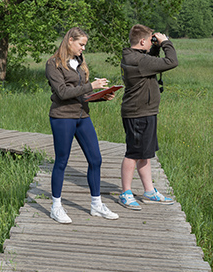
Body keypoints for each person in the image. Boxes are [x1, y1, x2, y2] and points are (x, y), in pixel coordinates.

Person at [46, 27, 119, 224]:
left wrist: (101, 96)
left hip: (82, 116)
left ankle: (96, 205)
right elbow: (62, 93)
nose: (83, 48)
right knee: (62, 161)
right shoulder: (53, 64)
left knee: (96, 159)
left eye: (85, 45)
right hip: (62, 117)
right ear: (70, 40)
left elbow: (81, 94)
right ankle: (56, 207)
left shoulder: (79, 63)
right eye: (81, 44)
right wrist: (91, 86)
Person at [117, 24, 179, 210]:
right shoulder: (139, 61)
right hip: (138, 113)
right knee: (134, 153)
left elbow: (149, 60)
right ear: (143, 41)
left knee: (145, 153)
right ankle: (126, 192)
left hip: (144, 111)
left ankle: (149, 191)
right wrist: (166, 43)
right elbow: (171, 62)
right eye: (150, 39)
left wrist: (156, 46)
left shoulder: (134, 56)